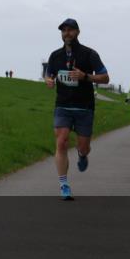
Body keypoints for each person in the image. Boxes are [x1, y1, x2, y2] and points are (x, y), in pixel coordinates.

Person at [43, 18, 109, 201]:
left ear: (78, 32)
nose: (67, 33)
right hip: (62, 106)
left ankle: (82, 154)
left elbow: (105, 77)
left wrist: (85, 76)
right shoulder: (55, 56)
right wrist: (48, 80)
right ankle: (64, 184)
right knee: (62, 142)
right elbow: (49, 74)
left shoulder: (89, 54)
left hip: (84, 107)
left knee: (84, 146)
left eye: (70, 30)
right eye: (63, 31)